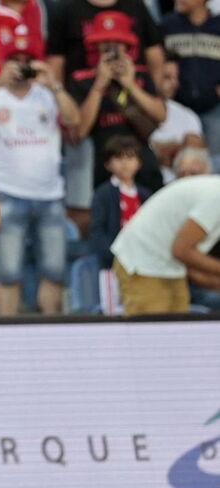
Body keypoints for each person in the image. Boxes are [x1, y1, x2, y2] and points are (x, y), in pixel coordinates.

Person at [0, 40, 80, 315]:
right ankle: (8, 331)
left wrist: (54, 84)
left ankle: (52, 328)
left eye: (28, 61)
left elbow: (74, 120)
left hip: (50, 194)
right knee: (8, 271)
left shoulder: (48, 94)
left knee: (54, 270)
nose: (22, 67)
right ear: (4, 64)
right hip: (7, 193)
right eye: (16, 61)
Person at [73, 11, 166, 198]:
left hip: (142, 162)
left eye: (117, 43)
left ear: (127, 46)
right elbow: (80, 130)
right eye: (106, 44)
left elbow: (161, 115)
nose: (111, 49)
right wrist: (99, 85)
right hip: (106, 163)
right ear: (96, 46)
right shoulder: (83, 80)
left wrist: (129, 84)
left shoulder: (141, 75)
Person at [111, 174, 220, 315]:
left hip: (171, 266)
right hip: (144, 263)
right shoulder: (216, 198)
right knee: (152, 327)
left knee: (179, 327)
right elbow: (181, 250)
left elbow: (190, 263)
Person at [159, 0, 220, 169]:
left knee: (215, 162)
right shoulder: (168, 25)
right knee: (179, 165)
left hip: (214, 108)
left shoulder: (218, 26)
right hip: (177, 108)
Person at [90, 135, 152, 272]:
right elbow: (98, 230)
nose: (125, 163)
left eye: (130, 157)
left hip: (142, 261)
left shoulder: (145, 195)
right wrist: (110, 254)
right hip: (112, 263)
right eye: (118, 158)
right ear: (107, 164)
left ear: (139, 163)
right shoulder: (103, 194)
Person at [149, 53, 208, 184]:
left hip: (182, 184)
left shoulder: (188, 115)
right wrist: (179, 146)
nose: (174, 84)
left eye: (176, 78)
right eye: (167, 77)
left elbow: (197, 150)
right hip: (148, 183)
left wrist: (161, 149)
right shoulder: (138, 109)